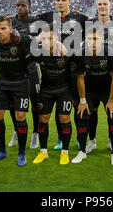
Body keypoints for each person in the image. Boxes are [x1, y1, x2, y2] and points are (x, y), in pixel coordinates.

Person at [34, 0, 88, 150]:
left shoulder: (80, 18)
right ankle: (60, 138)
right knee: (59, 107)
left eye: (63, 0)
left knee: (78, 103)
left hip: (73, 68)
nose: (60, 2)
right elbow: (29, 22)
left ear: (69, 2)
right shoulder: (47, 17)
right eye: (58, 0)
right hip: (54, 69)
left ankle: (80, 138)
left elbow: (96, 29)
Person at [0, 16, 32, 167]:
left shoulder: (23, 40)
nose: (0, 32)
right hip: (2, 82)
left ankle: (22, 153)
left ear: (10, 29)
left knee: (20, 116)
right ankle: (1, 151)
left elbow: (40, 40)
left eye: (3, 28)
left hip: (21, 82)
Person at [73, 26, 113, 166]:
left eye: (95, 39)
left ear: (102, 39)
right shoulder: (80, 54)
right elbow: (80, 77)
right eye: (89, 39)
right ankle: (83, 150)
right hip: (90, 89)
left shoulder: (111, 53)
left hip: (107, 89)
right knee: (83, 116)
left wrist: (111, 100)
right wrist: (82, 100)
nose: (92, 42)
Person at [31, 25, 74, 165]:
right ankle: (43, 151)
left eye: (50, 38)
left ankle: (65, 152)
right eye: (43, 38)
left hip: (64, 90)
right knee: (43, 119)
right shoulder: (37, 53)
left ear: (57, 38)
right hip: (46, 91)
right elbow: (24, 52)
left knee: (64, 118)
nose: (47, 41)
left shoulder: (66, 53)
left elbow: (77, 68)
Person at [85, 0, 113, 154]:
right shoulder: (88, 24)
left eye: (105, 4)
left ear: (110, 6)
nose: (102, 6)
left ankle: (111, 142)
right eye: (99, 4)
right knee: (90, 114)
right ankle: (91, 141)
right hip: (91, 77)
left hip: (110, 77)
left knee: (112, 112)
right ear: (96, 6)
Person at [8, 0, 41, 150]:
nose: (19, 8)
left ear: (29, 6)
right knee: (13, 104)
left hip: (31, 68)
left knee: (35, 103)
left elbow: (40, 42)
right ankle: (16, 130)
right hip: (14, 69)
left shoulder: (37, 22)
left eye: (22, 5)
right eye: (17, 5)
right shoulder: (10, 22)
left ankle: (35, 133)